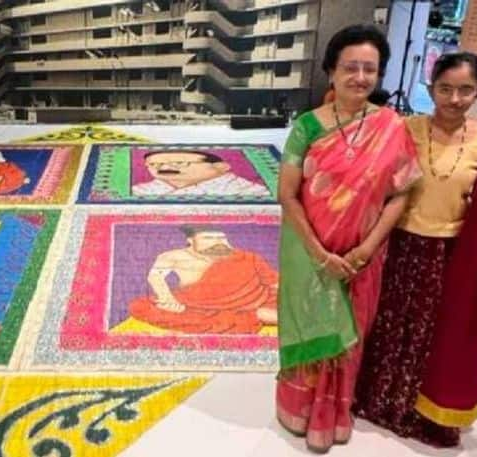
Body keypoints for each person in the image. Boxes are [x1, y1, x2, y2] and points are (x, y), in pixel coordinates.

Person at [274, 24, 421, 453]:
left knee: (350, 337)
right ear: (331, 71)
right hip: (310, 255)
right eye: (351, 67)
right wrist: (320, 254)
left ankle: (334, 416)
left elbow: (400, 193)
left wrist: (366, 248)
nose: (360, 77)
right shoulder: (306, 127)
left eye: (370, 69)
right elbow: (287, 195)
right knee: (310, 329)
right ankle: (298, 410)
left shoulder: (391, 125)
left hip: (362, 259)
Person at [354, 52, 477, 447]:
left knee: (433, 332)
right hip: (399, 243)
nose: (454, 99)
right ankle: (380, 401)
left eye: (465, 90)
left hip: (450, 253)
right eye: (445, 88)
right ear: (430, 89)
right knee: (389, 323)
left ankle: (420, 408)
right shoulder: (405, 129)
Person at [128, 225, 278, 334]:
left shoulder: (247, 257)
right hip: (199, 305)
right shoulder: (172, 256)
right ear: (191, 240)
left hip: (252, 299)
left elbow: (273, 281)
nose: (217, 241)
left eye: (221, 238)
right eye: (208, 237)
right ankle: (258, 315)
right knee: (141, 306)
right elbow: (155, 276)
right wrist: (168, 299)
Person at [132, 150, 270, 196]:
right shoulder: (140, 191)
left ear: (221, 167)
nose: (164, 168)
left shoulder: (248, 191)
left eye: (179, 163)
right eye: (154, 164)